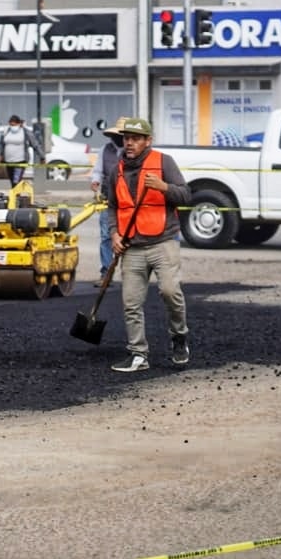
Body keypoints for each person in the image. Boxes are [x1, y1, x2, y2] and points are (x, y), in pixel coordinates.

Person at [107, 117, 192, 373]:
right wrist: (114, 233)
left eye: (135, 139)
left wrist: (164, 187)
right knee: (131, 303)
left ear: (148, 141)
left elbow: (185, 195)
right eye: (126, 138)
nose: (129, 143)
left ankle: (179, 336)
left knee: (170, 292)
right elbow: (112, 207)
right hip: (132, 245)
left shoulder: (164, 162)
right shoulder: (116, 170)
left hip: (163, 242)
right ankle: (138, 354)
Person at [88, 117, 127, 287]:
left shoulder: (132, 151)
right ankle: (106, 273)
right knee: (106, 236)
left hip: (128, 200)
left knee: (128, 237)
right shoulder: (105, 150)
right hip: (108, 199)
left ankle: (130, 274)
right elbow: (98, 170)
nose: (116, 138)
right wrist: (95, 181)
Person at [0, 114, 43, 186]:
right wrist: (1, 154)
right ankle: (16, 192)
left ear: (19, 124)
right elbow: (1, 143)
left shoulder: (25, 132)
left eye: (14, 125)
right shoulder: (6, 131)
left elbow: (35, 144)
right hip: (8, 161)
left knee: (16, 181)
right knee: (12, 181)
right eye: (11, 125)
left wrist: (42, 156)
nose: (12, 127)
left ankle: (16, 192)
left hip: (20, 162)